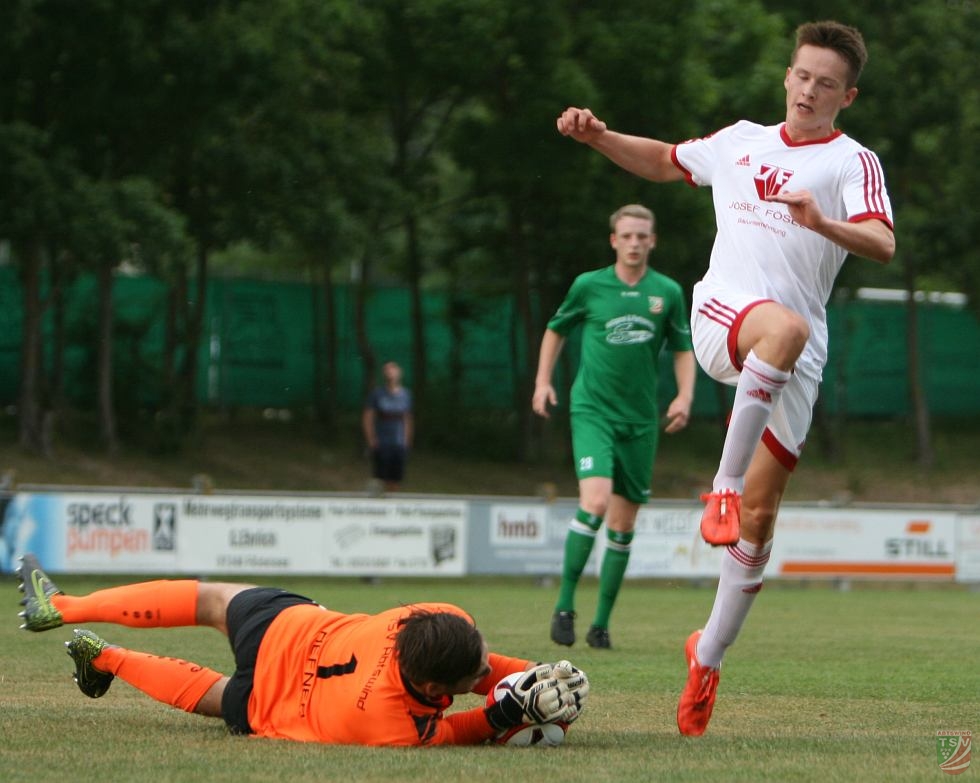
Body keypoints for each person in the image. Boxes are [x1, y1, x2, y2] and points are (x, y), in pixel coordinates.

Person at [557, 20, 894, 735]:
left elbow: (884, 242)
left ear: (848, 95)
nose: (809, 90)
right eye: (801, 75)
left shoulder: (851, 163)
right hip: (725, 314)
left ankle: (706, 655)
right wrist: (598, 137)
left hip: (790, 355)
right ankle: (724, 484)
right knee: (784, 331)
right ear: (787, 76)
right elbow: (663, 161)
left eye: (825, 83)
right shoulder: (741, 140)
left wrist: (823, 223)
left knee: (763, 523)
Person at [15, 553, 588, 746]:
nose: (491, 666)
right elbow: (457, 732)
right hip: (271, 700)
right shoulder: (392, 726)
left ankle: (63, 608)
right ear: (439, 690)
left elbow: (467, 670)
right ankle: (104, 655)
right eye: (482, 663)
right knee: (211, 695)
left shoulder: (433, 619)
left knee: (211, 598)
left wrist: (527, 676)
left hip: (285, 627)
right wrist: (505, 712)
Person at [532, 204, 696, 650]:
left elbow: (682, 346)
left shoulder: (666, 292)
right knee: (597, 501)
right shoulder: (589, 285)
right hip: (593, 411)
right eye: (627, 236)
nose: (635, 243)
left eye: (642, 236)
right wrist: (543, 381)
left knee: (624, 523)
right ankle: (564, 605)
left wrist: (684, 395)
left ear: (653, 240)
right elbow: (555, 329)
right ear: (613, 241)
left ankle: (601, 623)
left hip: (641, 420)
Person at [362, 360, 413, 492]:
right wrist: (371, 439)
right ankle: (378, 507)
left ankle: (393, 505)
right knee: (379, 479)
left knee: (395, 479)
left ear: (399, 372)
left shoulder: (406, 395)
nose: (390, 373)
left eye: (393, 369)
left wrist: (406, 441)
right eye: (387, 370)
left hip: (398, 442)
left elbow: (407, 418)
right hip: (382, 442)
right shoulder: (377, 394)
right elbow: (368, 418)